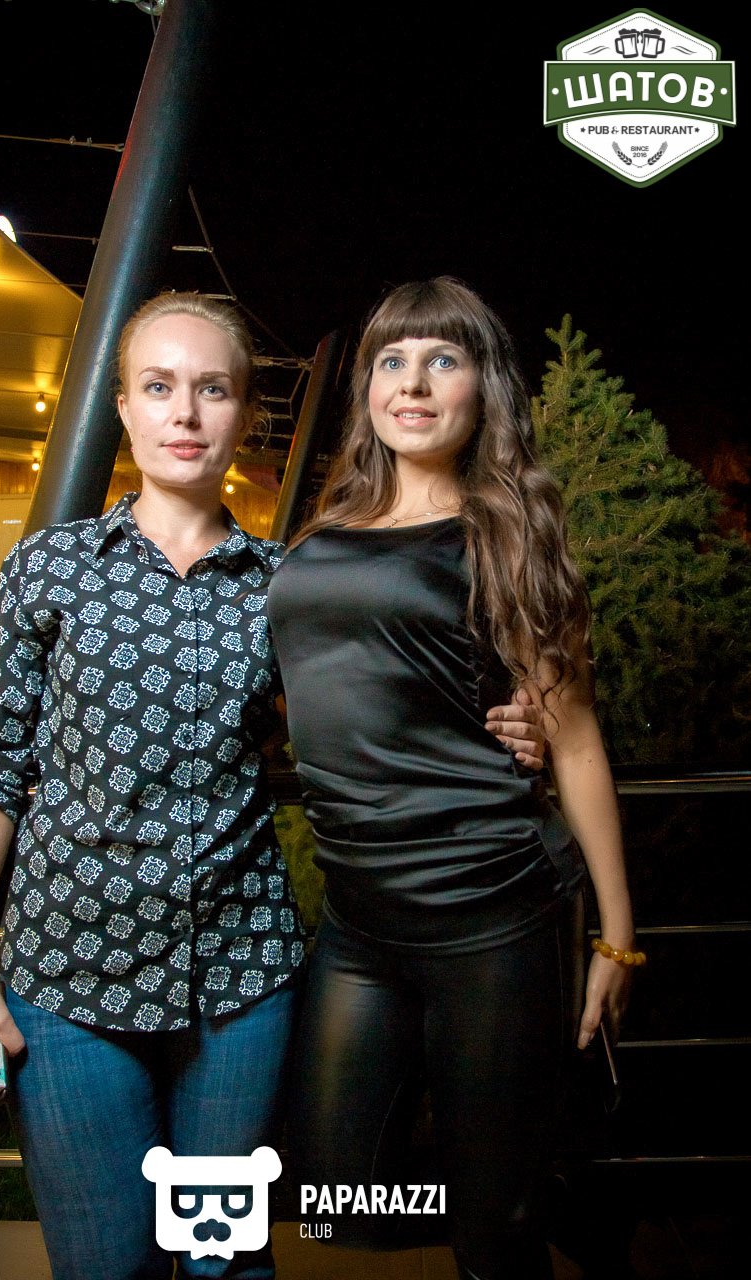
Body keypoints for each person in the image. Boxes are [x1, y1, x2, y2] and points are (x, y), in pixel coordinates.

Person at [0, 290, 547, 1280]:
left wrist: (518, 725)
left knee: (224, 1260)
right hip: (66, 979)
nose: (184, 412)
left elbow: (381, 706)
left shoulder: (287, 582)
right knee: (106, 1264)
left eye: (212, 389)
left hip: (240, 982)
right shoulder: (48, 569)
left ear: (244, 414)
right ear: (123, 408)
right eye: (158, 387)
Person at [267, 277, 639, 1280]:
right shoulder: (320, 529)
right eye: (391, 360)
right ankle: (535, 1188)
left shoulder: (505, 529)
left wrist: (616, 936)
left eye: (443, 359)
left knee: (492, 1243)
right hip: (358, 918)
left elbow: (575, 740)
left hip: (494, 912)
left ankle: (515, 1198)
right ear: (366, 388)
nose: (413, 382)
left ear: (484, 387)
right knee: (337, 1195)